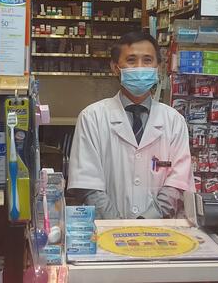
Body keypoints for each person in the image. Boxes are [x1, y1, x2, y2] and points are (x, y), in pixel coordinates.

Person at [68, 31, 194, 219]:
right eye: (132, 60)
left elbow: (178, 182)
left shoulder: (174, 120)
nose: (140, 67)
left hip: (159, 233)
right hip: (106, 231)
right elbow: (87, 183)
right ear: (115, 68)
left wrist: (145, 221)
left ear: (158, 67)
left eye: (147, 60)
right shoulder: (92, 117)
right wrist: (117, 226)